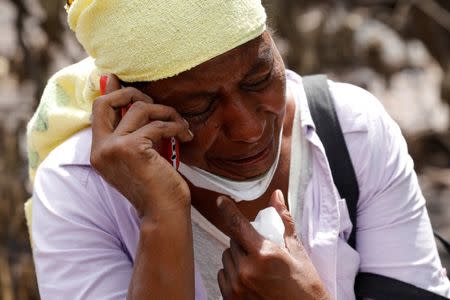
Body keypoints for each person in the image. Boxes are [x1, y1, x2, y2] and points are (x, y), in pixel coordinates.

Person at [27, 0, 450, 299]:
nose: (248, 129)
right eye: (198, 107)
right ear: (131, 103)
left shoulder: (350, 132)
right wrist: (162, 217)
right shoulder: (78, 189)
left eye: (260, 78)